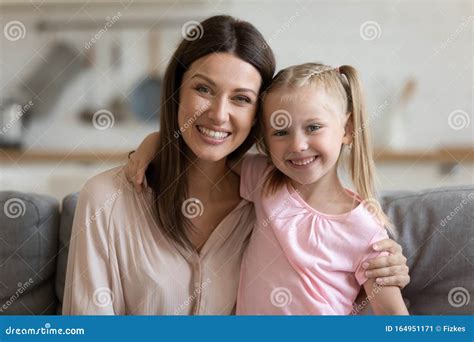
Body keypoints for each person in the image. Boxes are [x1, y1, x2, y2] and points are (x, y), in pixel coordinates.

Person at [63, 15, 409, 315]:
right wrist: (156, 141)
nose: (218, 114)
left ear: (256, 118)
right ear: (176, 93)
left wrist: (383, 270)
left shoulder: (267, 194)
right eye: (203, 89)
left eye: (241, 98)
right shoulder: (106, 199)